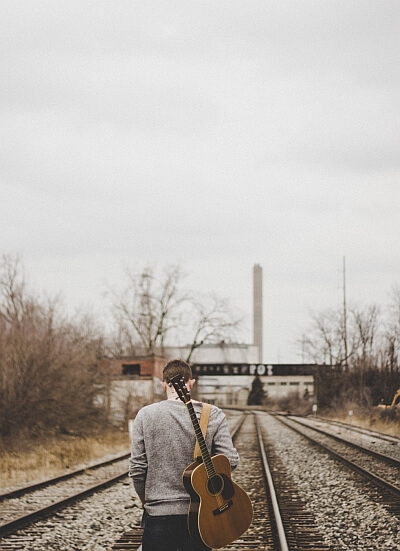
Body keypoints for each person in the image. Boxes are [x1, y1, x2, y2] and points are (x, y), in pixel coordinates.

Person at [129, 358, 240, 551]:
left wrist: (147, 502)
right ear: (191, 383)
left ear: (164, 384)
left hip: (158, 515)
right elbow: (230, 461)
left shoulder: (145, 415)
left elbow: (137, 469)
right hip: (202, 517)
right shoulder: (213, 414)